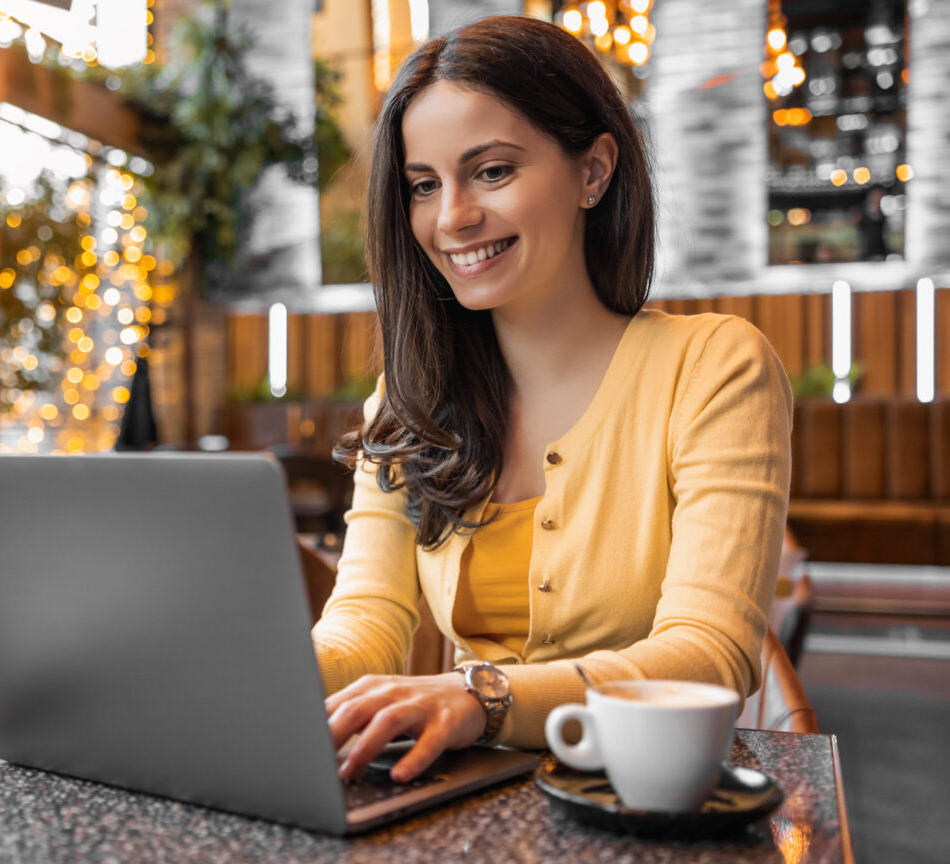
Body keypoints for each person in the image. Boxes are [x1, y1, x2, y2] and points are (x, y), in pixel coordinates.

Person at [312, 16, 793, 784]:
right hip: (461, 799)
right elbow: (364, 626)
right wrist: (262, 669)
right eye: (424, 186)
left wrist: (484, 697)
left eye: (493, 171)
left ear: (594, 171)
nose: (452, 217)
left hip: (644, 799)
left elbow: (711, 653)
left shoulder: (713, 366)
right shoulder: (405, 404)